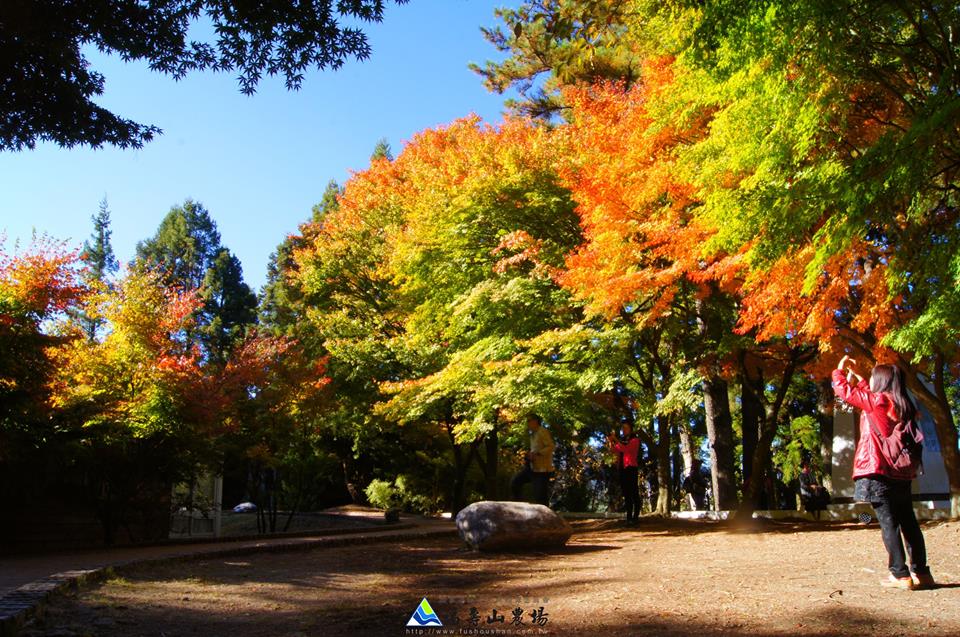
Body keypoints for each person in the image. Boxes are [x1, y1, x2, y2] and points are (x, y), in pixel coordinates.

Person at [832, 355, 934, 590]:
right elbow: (870, 403)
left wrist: (838, 372)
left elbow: (845, 393)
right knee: (909, 522)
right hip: (901, 472)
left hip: (879, 471)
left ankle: (900, 574)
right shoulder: (902, 404)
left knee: (889, 524)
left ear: (881, 382)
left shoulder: (877, 401)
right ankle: (922, 573)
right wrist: (862, 382)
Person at [511, 414, 555, 506]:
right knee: (515, 482)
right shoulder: (532, 434)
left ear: (535, 421)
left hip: (542, 470)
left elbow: (550, 446)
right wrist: (529, 455)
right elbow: (535, 449)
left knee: (540, 496)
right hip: (532, 468)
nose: (527, 423)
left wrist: (537, 453)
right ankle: (519, 507)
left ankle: (545, 517)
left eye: (529, 420)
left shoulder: (542, 431)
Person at [606, 422, 641, 522]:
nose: (623, 430)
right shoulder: (622, 441)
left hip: (631, 468)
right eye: (623, 428)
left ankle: (635, 517)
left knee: (634, 492)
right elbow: (613, 450)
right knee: (626, 493)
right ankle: (629, 518)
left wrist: (616, 440)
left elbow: (626, 449)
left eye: (626, 428)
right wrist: (610, 441)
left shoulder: (635, 440)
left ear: (631, 429)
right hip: (622, 469)